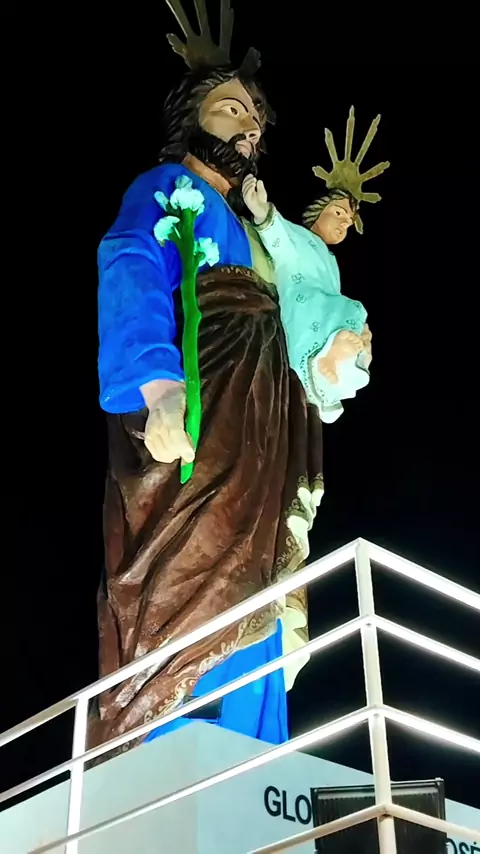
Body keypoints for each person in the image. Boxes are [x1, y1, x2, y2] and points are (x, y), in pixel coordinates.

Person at [89, 0, 323, 755]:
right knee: (184, 572)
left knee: (261, 584)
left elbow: (301, 318)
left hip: (264, 429)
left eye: (254, 120)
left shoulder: (262, 234)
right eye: (230, 109)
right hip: (199, 415)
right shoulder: (165, 187)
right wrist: (157, 384)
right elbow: (131, 264)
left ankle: (255, 756)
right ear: (190, 120)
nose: (248, 128)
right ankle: (167, 745)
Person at [242, 107, 389, 423]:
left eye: (348, 221)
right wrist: (262, 212)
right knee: (348, 310)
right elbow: (279, 240)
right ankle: (330, 356)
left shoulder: (330, 259)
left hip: (318, 312)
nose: (344, 223)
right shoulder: (300, 237)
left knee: (355, 320)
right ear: (318, 211)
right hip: (302, 306)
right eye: (338, 213)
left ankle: (334, 382)